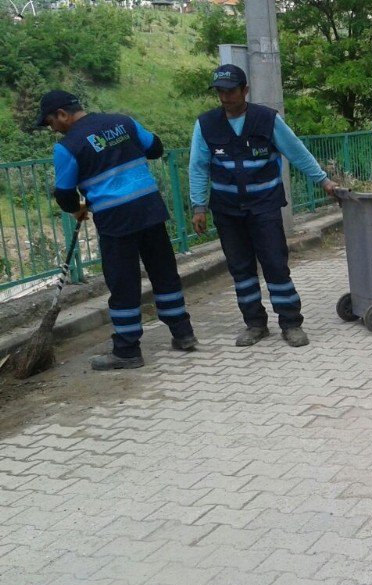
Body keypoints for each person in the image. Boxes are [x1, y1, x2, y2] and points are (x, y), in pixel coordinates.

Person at [39, 90, 198, 371]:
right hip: (150, 209)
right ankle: (183, 333)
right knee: (164, 272)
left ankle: (126, 350)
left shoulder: (67, 146)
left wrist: (77, 208)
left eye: (51, 122)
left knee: (123, 282)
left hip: (116, 219)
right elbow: (156, 148)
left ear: (63, 114)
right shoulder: (123, 122)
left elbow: (63, 194)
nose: (53, 129)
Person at [188, 64, 336, 348]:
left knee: (275, 264)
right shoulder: (206, 124)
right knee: (240, 269)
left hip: (264, 206)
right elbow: (198, 166)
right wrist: (199, 206)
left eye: (231, 91)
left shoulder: (266, 120)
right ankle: (255, 324)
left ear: (245, 90)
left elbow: (296, 152)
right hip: (227, 210)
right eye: (220, 91)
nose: (225, 97)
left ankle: (291, 323)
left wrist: (324, 181)